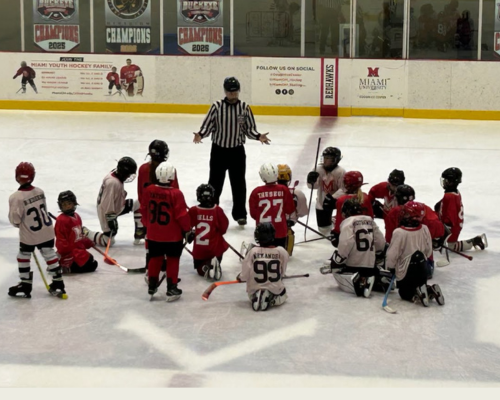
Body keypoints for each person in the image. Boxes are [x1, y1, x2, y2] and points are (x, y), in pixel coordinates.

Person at [193, 77, 271, 226]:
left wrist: (258, 136)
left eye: (235, 92)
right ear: (225, 91)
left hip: (237, 152)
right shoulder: (216, 106)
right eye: (230, 92)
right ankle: (212, 210)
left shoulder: (244, 107)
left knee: (239, 184)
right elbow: (208, 125)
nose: (232, 94)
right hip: (218, 151)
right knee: (215, 183)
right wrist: (200, 134)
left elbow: (249, 129)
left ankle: (240, 214)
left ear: (239, 91)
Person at [8, 162, 65, 298]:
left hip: (30, 235)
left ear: (17, 176)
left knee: (23, 256)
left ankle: (25, 284)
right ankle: (58, 282)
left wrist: (19, 225)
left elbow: (15, 220)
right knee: (50, 254)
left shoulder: (16, 197)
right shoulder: (40, 191)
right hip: (47, 231)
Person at [141, 162, 191, 301]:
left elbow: (144, 209)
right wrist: (187, 230)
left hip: (153, 234)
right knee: (173, 260)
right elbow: (181, 215)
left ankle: (152, 285)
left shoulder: (149, 190)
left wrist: (148, 226)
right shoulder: (176, 193)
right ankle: (172, 288)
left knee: (155, 258)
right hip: (172, 236)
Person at [321, 198, 386, 298]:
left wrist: (337, 261)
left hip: (353, 265)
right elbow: (380, 242)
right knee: (372, 269)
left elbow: (346, 243)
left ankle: (360, 282)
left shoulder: (348, 222)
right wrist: (378, 255)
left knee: (332, 265)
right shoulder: (370, 220)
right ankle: (377, 277)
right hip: (370, 264)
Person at [385, 201, 445, 307]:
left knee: (405, 294)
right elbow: (428, 251)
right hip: (423, 268)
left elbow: (392, 254)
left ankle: (417, 293)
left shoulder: (399, 232)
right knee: (420, 283)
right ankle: (430, 289)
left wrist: (390, 267)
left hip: (406, 270)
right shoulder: (425, 228)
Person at [85, 157, 139, 247]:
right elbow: (106, 204)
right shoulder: (112, 183)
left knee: (141, 203)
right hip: (106, 212)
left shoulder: (116, 173)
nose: (129, 176)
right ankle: (85, 232)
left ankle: (139, 234)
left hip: (118, 205)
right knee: (108, 241)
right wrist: (111, 219)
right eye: (128, 174)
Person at [238, 222, 289, 312]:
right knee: (283, 294)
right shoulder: (281, 251)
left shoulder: (253, 251)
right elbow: (282, 272)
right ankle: (271, 299)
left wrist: (240, 277)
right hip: (274, 288)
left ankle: (257, 296)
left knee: (252, 289)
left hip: (254, 289)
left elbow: (244, 275)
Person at [137, 140, 180, 244]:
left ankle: (140, 233)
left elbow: (140, 194)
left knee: (136, 205)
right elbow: (176, 194)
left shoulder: (143, 168)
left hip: (149, 215)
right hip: (167, 218)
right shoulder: (170, 170)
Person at [434, 167, 487, 252]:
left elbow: (450, 220)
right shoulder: (455, 192)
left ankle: (475, 241)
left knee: (451, 246)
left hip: (452, 228)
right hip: (455, 224)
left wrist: (442, 234)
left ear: (452, 182)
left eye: (446, 180)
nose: (444, 182)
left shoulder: (449, 196)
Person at [188, 184, 229, 280]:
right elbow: (223, 229)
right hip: (215, 250)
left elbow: (186, 226)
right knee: (220, 241)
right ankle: (214, 263)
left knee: (199, 270)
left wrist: (191, 233)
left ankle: (205, 267)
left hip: (199, 251)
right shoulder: (217, 210)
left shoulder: (194, 210)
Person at [249, 163, 295, 249]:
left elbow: (253, 214)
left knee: (264, 255)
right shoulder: (283, 189)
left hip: (263, 232)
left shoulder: (256, 192)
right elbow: (290, 209)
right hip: (280, 230)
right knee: (279, 256)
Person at [54, 191, 98, 274]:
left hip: (77, 251)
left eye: (69, 203)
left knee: (91, 260)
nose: (66, 206)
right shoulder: (61, 220)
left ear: (74, 203)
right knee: (91, 266)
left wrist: (88, 242)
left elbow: (79, 235)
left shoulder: (77, 216)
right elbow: (61, 240)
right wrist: (67, 254)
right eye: (64, 204)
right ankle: (65, 266)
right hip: (70, 253)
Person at [307, 146, 345, 236]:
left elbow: (343, 189)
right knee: (323, 230)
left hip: (337, 200)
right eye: (325, 158)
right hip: (322, 200)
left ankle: (336, 219)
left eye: (329, 158)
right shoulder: (318, 169)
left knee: (342, 226)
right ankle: (332, 220)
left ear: (336, 160)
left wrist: (333, 197)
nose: (325, 161)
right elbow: (313, 187)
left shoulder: (340, 171)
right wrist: (310, 181)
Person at [331, 171, 374, 247]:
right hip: (366, 237)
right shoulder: (366, 198)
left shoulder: (341, 200)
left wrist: (336, 233)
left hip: (348, 237)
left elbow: (339, 221)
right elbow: (371, 218)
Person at [277, 163, 307, 256]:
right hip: (285, 229)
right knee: (288, 232)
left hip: (268, 227)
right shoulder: (297, 193)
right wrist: (292, 219)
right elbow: (303, 212)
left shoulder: (263, 191)